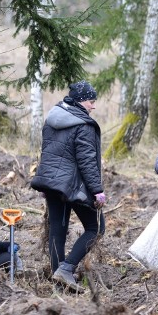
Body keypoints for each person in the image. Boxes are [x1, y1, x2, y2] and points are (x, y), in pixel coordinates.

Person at [31, 80, 106, 292]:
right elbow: (87, 161)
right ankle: (66, 268)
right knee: (96, 227)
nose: (93, 106)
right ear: (82, 101)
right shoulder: (82, 124)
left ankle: (58, 279)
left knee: (57, 230)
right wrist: (97, 190)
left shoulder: (52, 118)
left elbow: (48, 152)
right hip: (73, 186)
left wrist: (46, 183)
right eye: (91, 101)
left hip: (52, 183)